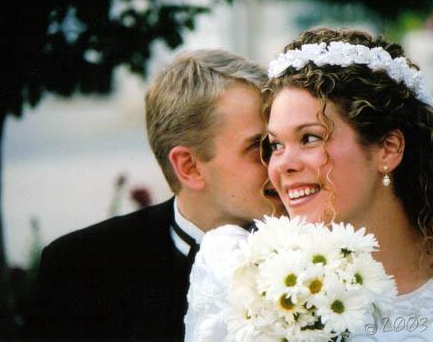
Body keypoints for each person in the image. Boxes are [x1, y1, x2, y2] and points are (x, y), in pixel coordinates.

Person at [185, 28, 433, 341]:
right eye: (276, 145)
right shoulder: (239, 275)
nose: (283, 165)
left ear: (388, 148)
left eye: (310, 138)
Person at [31, 49, 283, 341]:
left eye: (280, 143)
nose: (282, 163)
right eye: (261, 147)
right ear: (189, 167)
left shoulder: (318, 255)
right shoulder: (80, 269)